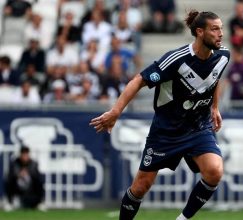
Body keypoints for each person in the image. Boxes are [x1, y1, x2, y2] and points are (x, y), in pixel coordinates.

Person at [90, 9, 229, 220]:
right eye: (215, 29)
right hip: (166, 132)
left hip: (198, 128)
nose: (221, 33)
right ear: (200, 32)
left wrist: (214, 107)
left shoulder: (222, 56)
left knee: (215, 171)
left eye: (221, 28)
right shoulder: (176, 59)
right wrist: (115, 112)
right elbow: (138, 80)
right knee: (140, 187)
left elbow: (214, 77)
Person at [3, 146, 44, 210]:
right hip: (17, 186)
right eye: (23, 154)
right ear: (20, 155)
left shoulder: (33, 163)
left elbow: (36, 175)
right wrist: (18, 174)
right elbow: (10, 175)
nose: (25, 156)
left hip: (30, 187)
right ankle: (9, 203)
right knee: (8, 181)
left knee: (39, 181)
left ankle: (39, 203)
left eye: (26, 154)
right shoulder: (14, 163)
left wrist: (28, 173)